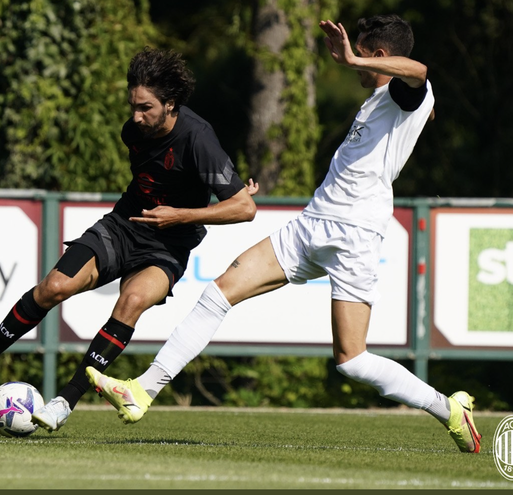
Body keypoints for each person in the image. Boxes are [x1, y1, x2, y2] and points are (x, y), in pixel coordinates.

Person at [88, 15, 482, 454]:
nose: (352, 62)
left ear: (382, 57)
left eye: (362, 53)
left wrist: (350, 59)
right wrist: (355, 61)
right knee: (219, 292)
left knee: (351, 361)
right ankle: (143, 391)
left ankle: (447, 409)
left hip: (356, 233)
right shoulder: (376, 101)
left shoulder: (404, 96)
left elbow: (421, 74)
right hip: (313, 223)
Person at [0, 47, 259, 427]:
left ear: (171, 104)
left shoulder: (198, 138)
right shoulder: (134, 132)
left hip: (169, 245)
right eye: (132, 104)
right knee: (54, 287)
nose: (135, 116)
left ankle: (66, 400)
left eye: (145, 107)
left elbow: (244, 208)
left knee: (132, 301)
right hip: (122, 227)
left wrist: (182, 214)